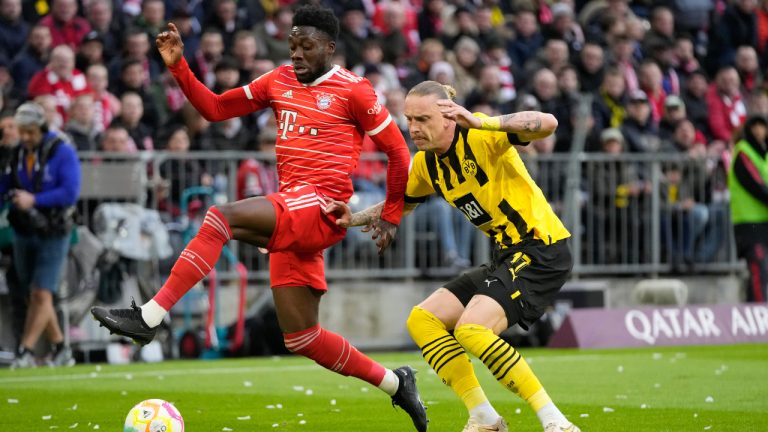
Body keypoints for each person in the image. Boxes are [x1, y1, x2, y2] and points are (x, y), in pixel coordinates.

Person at [90, 6, 427, 431]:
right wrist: (179, 67)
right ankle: (397, 384)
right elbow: (214, 108)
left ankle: (149, 317)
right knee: (302, 338)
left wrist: (392, 214)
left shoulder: (355, 91)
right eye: (292, 45)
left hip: (322, 208)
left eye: (307, 46)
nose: (298, 54)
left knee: (220, 217)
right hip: (292, 208)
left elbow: (399, 153)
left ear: (330, 47)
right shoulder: (278, 80)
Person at [329, 81, 580, 432]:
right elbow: (398, 206)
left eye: (423, 119)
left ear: (449, 117)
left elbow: (548, 122)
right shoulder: (426, 165)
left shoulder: (480, 134)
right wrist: (352, 218)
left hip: (541, 249)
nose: (414, 128)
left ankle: (556, 421)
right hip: (506, 255)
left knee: (472, 329)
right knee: (423, 320)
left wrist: (484, 122)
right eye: (410, 119)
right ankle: (483, 416)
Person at [0, 102, 81, 368]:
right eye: (22, 132)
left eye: (30, 132)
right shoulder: (16, 154)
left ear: (41, 128)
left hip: (54, 230)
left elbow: (69, 193)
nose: (25, 137)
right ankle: (61, 347)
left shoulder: (62, 152)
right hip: (24, 230)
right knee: (31, 292)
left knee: (42, 292)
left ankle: (25, 351)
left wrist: (34, 200)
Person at [728, 115, 768, 302]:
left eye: (763, 127)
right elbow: (755, 185)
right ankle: (760, 315)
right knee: (758, 268)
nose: (759, 131)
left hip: (764, 222)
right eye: (755, 127)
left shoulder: (764, 155)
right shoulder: (743, 152)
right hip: (748, 224)